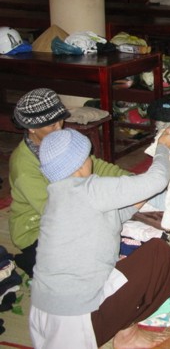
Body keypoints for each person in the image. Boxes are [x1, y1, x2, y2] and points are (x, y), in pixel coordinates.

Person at [30, 127, 170, 348]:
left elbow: (115, 216)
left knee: (127, 262)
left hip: (45, 320)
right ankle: (127, 335)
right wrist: (163, 148)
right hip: (79, 323)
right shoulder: (90, 189)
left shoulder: (56, 196)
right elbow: (158, 179)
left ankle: (123, 330)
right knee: (157, 253)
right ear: (81, 163)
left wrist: (143, 194)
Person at [8, 88, 135, 278]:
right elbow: (54, 212)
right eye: (52, 125)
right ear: (31, 128)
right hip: (36, 230)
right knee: (83, 264)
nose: (59, 128)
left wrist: (131, 180)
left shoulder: (61, 140)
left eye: (60, 121)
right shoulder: (24, 167)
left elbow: (95, 165)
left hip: (67, 212)